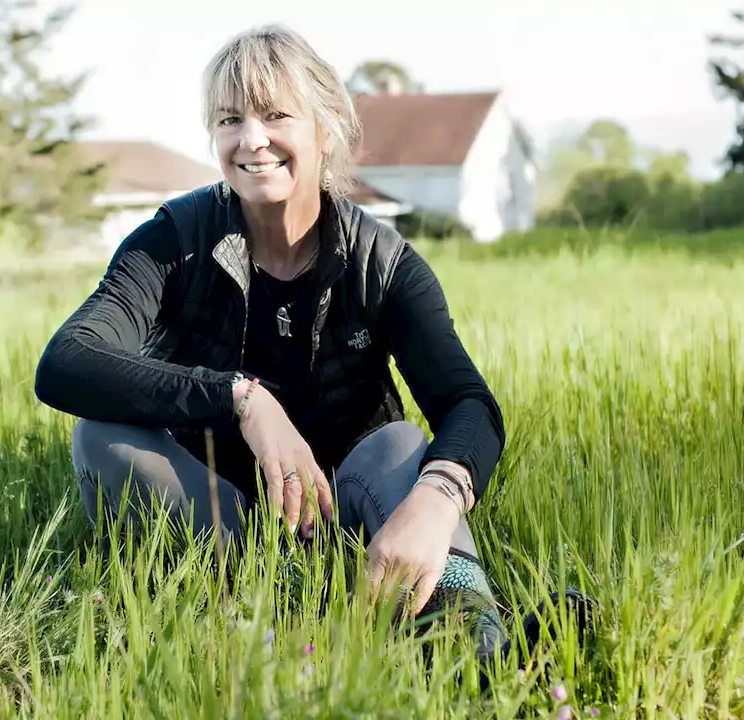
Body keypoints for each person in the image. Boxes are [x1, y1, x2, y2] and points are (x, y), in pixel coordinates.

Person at [34, 24, 509, 658]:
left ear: (326, 127)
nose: (251, 139)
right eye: (230, 119)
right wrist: (241, 398)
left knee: (402, 445)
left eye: (275, 114)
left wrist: (438, 496)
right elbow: (67, 362)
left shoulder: (383, 262)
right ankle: (275, 614)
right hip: (217, 515)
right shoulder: (177, 237)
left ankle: (478, 645)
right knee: (99, 436)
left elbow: (469, 404)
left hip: (345, 503)